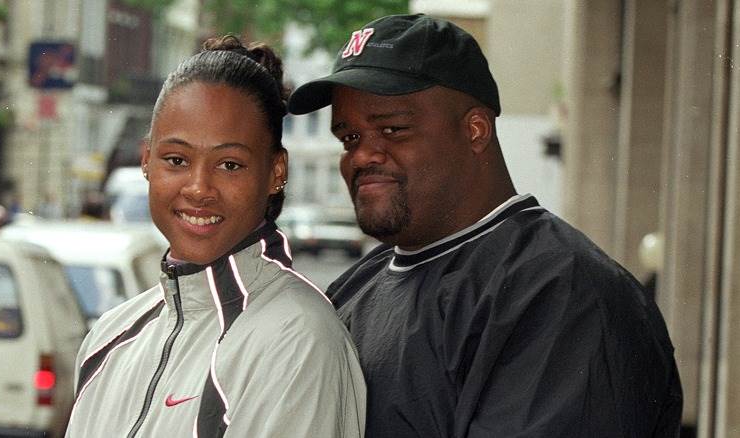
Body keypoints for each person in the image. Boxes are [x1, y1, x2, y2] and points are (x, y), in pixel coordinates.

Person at [288, 14, 682, 438]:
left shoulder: (563, 292)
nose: (362, 156)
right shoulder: (355, 286)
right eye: (350, 138)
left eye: (392, 129)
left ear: (475, 130)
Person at [66, 36, 366, 438]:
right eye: (176, 160)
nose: (198, 188)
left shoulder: (297, 340)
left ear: (276, 171)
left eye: (229, 164)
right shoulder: (110, 336)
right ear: (146, 160)